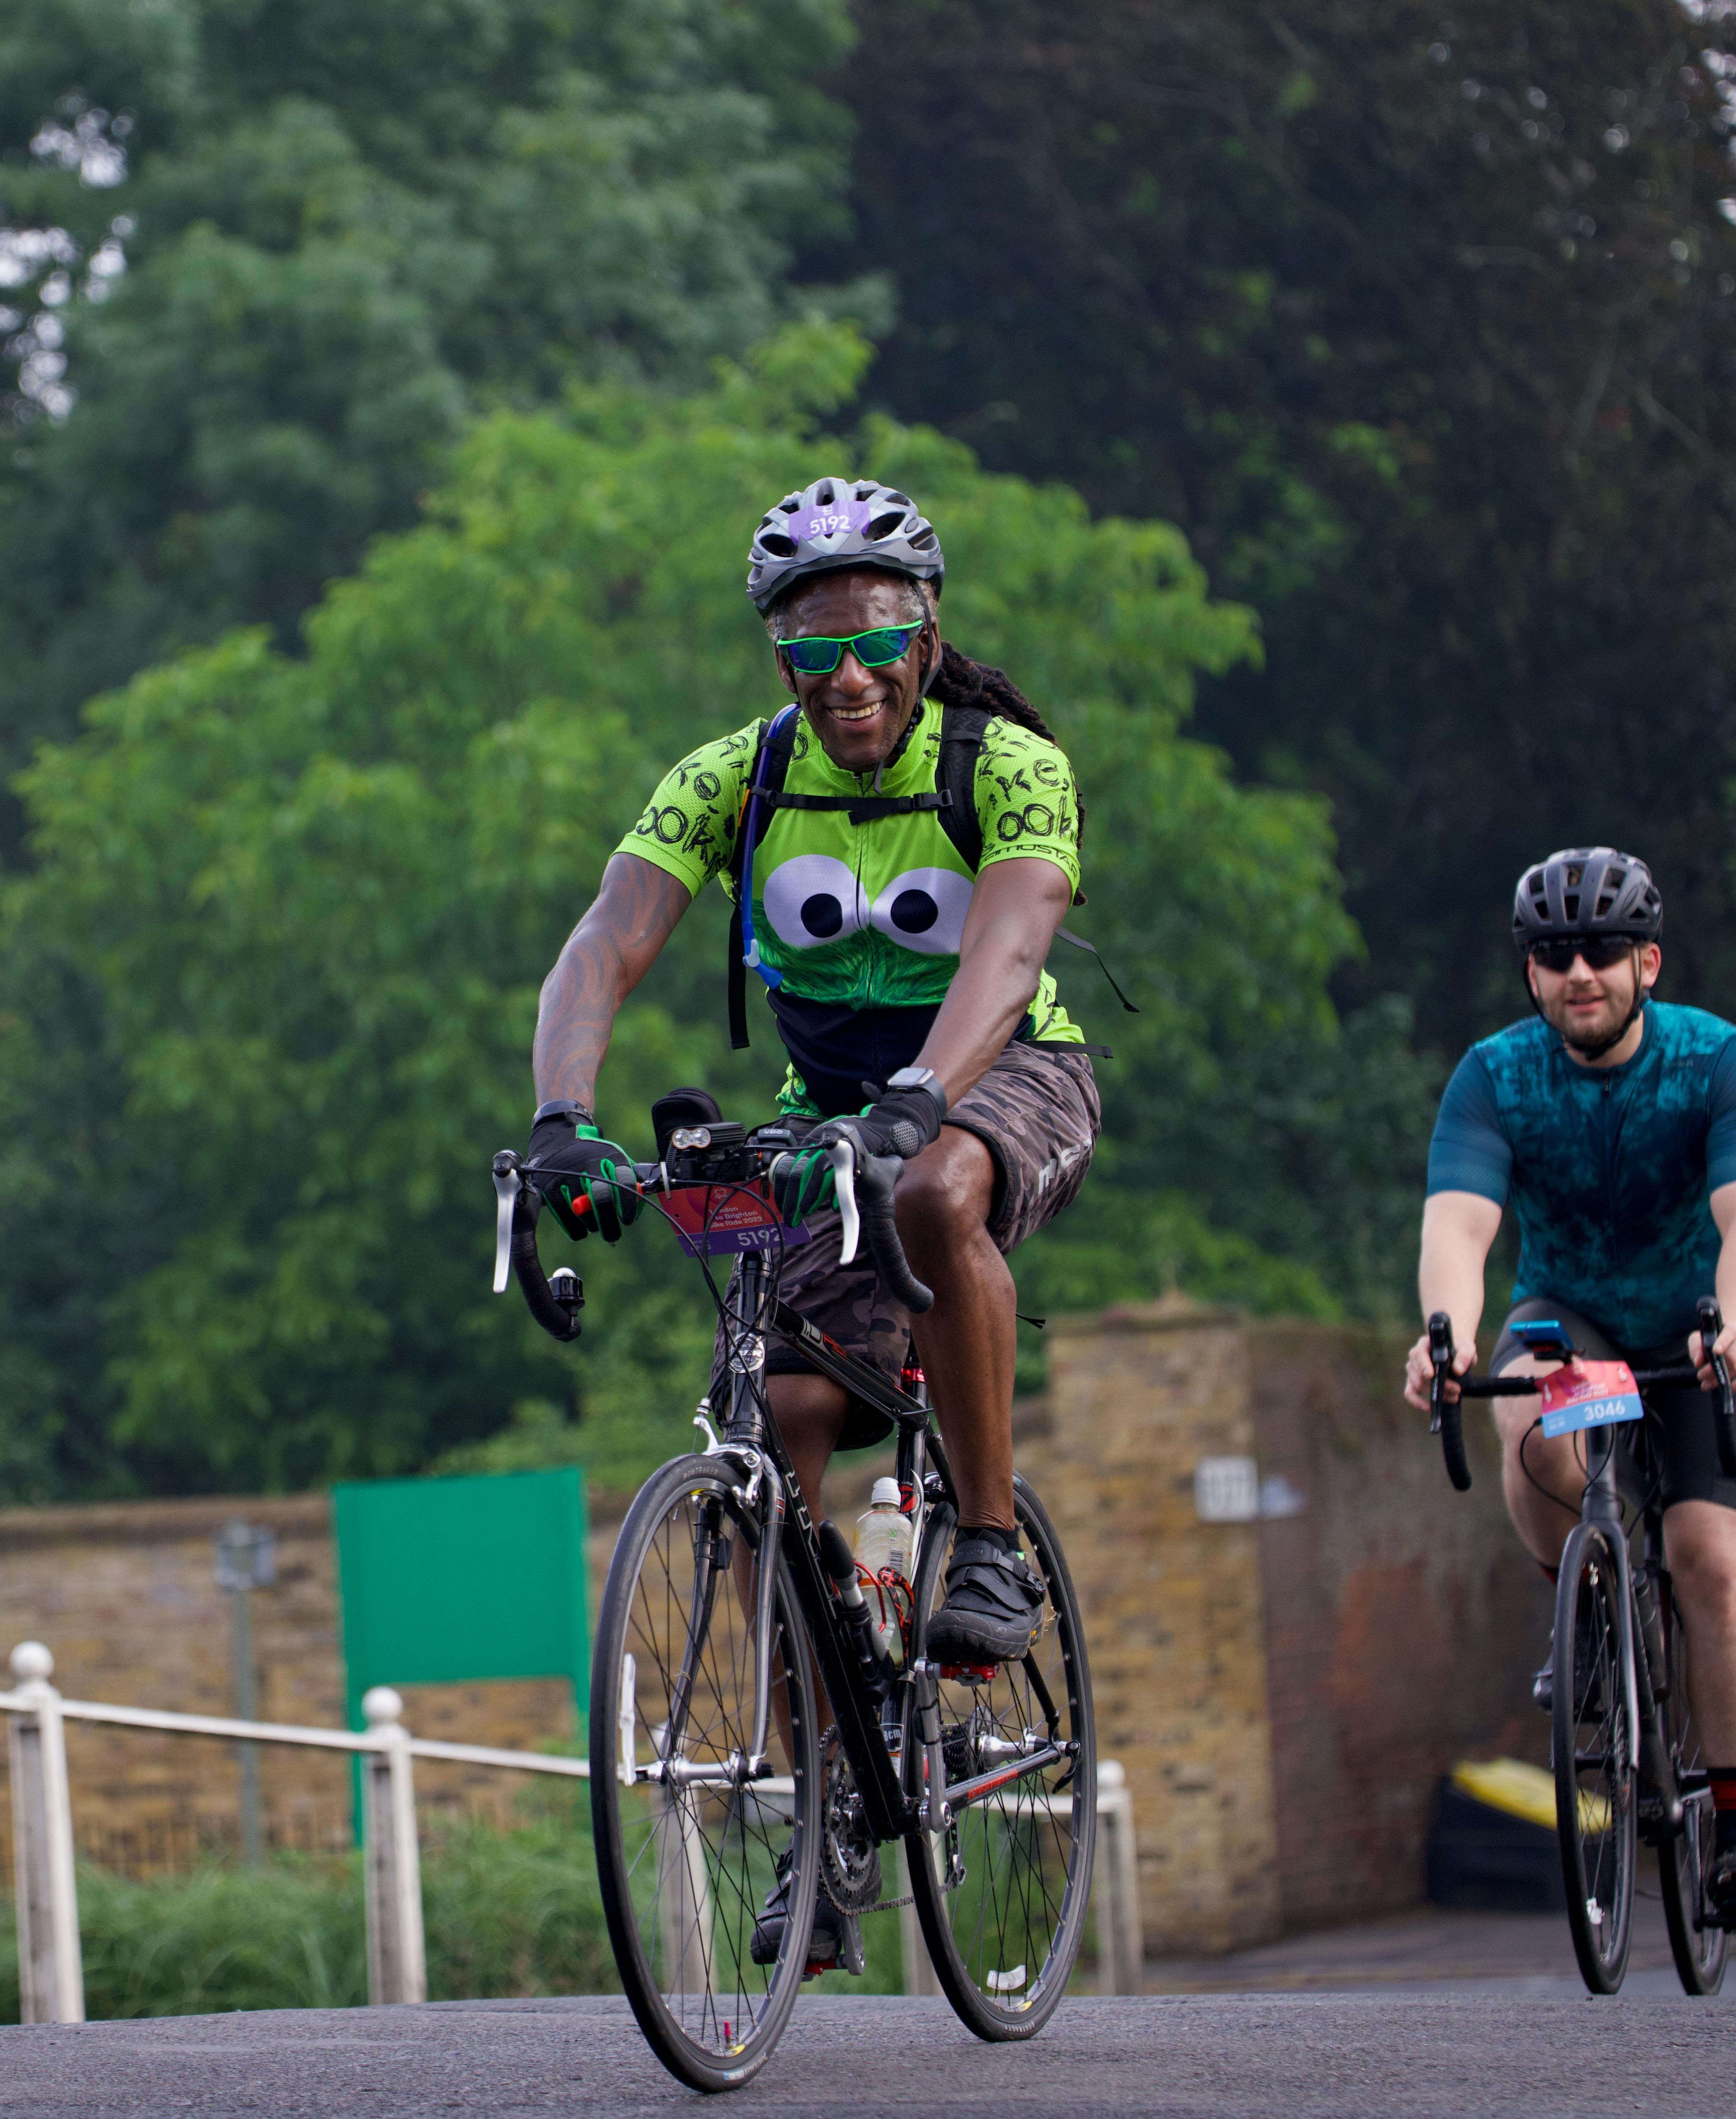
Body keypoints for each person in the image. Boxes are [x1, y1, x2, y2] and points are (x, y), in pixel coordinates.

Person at [522, 478, 1104, 1964]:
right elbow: (607, 936)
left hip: (1007, 1070)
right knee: (777, 1425)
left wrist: (924, 1092)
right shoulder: (731, 777)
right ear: (773, 656)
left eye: (875, 635)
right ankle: (828, 1809)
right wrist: (559, 1123)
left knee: (931, 1185)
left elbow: (1017, 931)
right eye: (809, 648)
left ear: (925, 627)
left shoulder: (1009, 764)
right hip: (831, 1107)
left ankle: (983, 1545)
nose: (845, 675)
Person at [1399, 846, 1736, 1935]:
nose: (1579, 971)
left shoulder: (1720, 1061)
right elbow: (1459, 1225)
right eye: (1553, 954)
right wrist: (1445, 1336)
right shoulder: (1494, 1074)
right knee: (1529, 1409)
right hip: (1571, 1319)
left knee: (1713, 1563)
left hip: (1695, 1328)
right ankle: (1581, 1604)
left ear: (1646, 961)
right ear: (1529, 973)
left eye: (1603, 951)